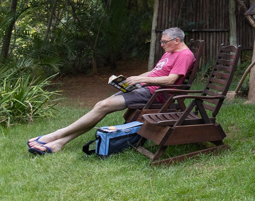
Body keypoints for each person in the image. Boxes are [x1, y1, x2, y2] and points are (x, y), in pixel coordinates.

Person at [27, 28, 195, 154]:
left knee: (102, 105)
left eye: (165, 42)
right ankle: (59, 143)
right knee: (101, 106)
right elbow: (154, 72)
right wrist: (133, 79)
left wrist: (141, 80)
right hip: (144, 89)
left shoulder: (184, 55)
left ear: (177, 40)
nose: (162, 45)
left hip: (155, 95)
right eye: (161, 42)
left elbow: (170, 80)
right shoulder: (169, 52)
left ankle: (55, 136)